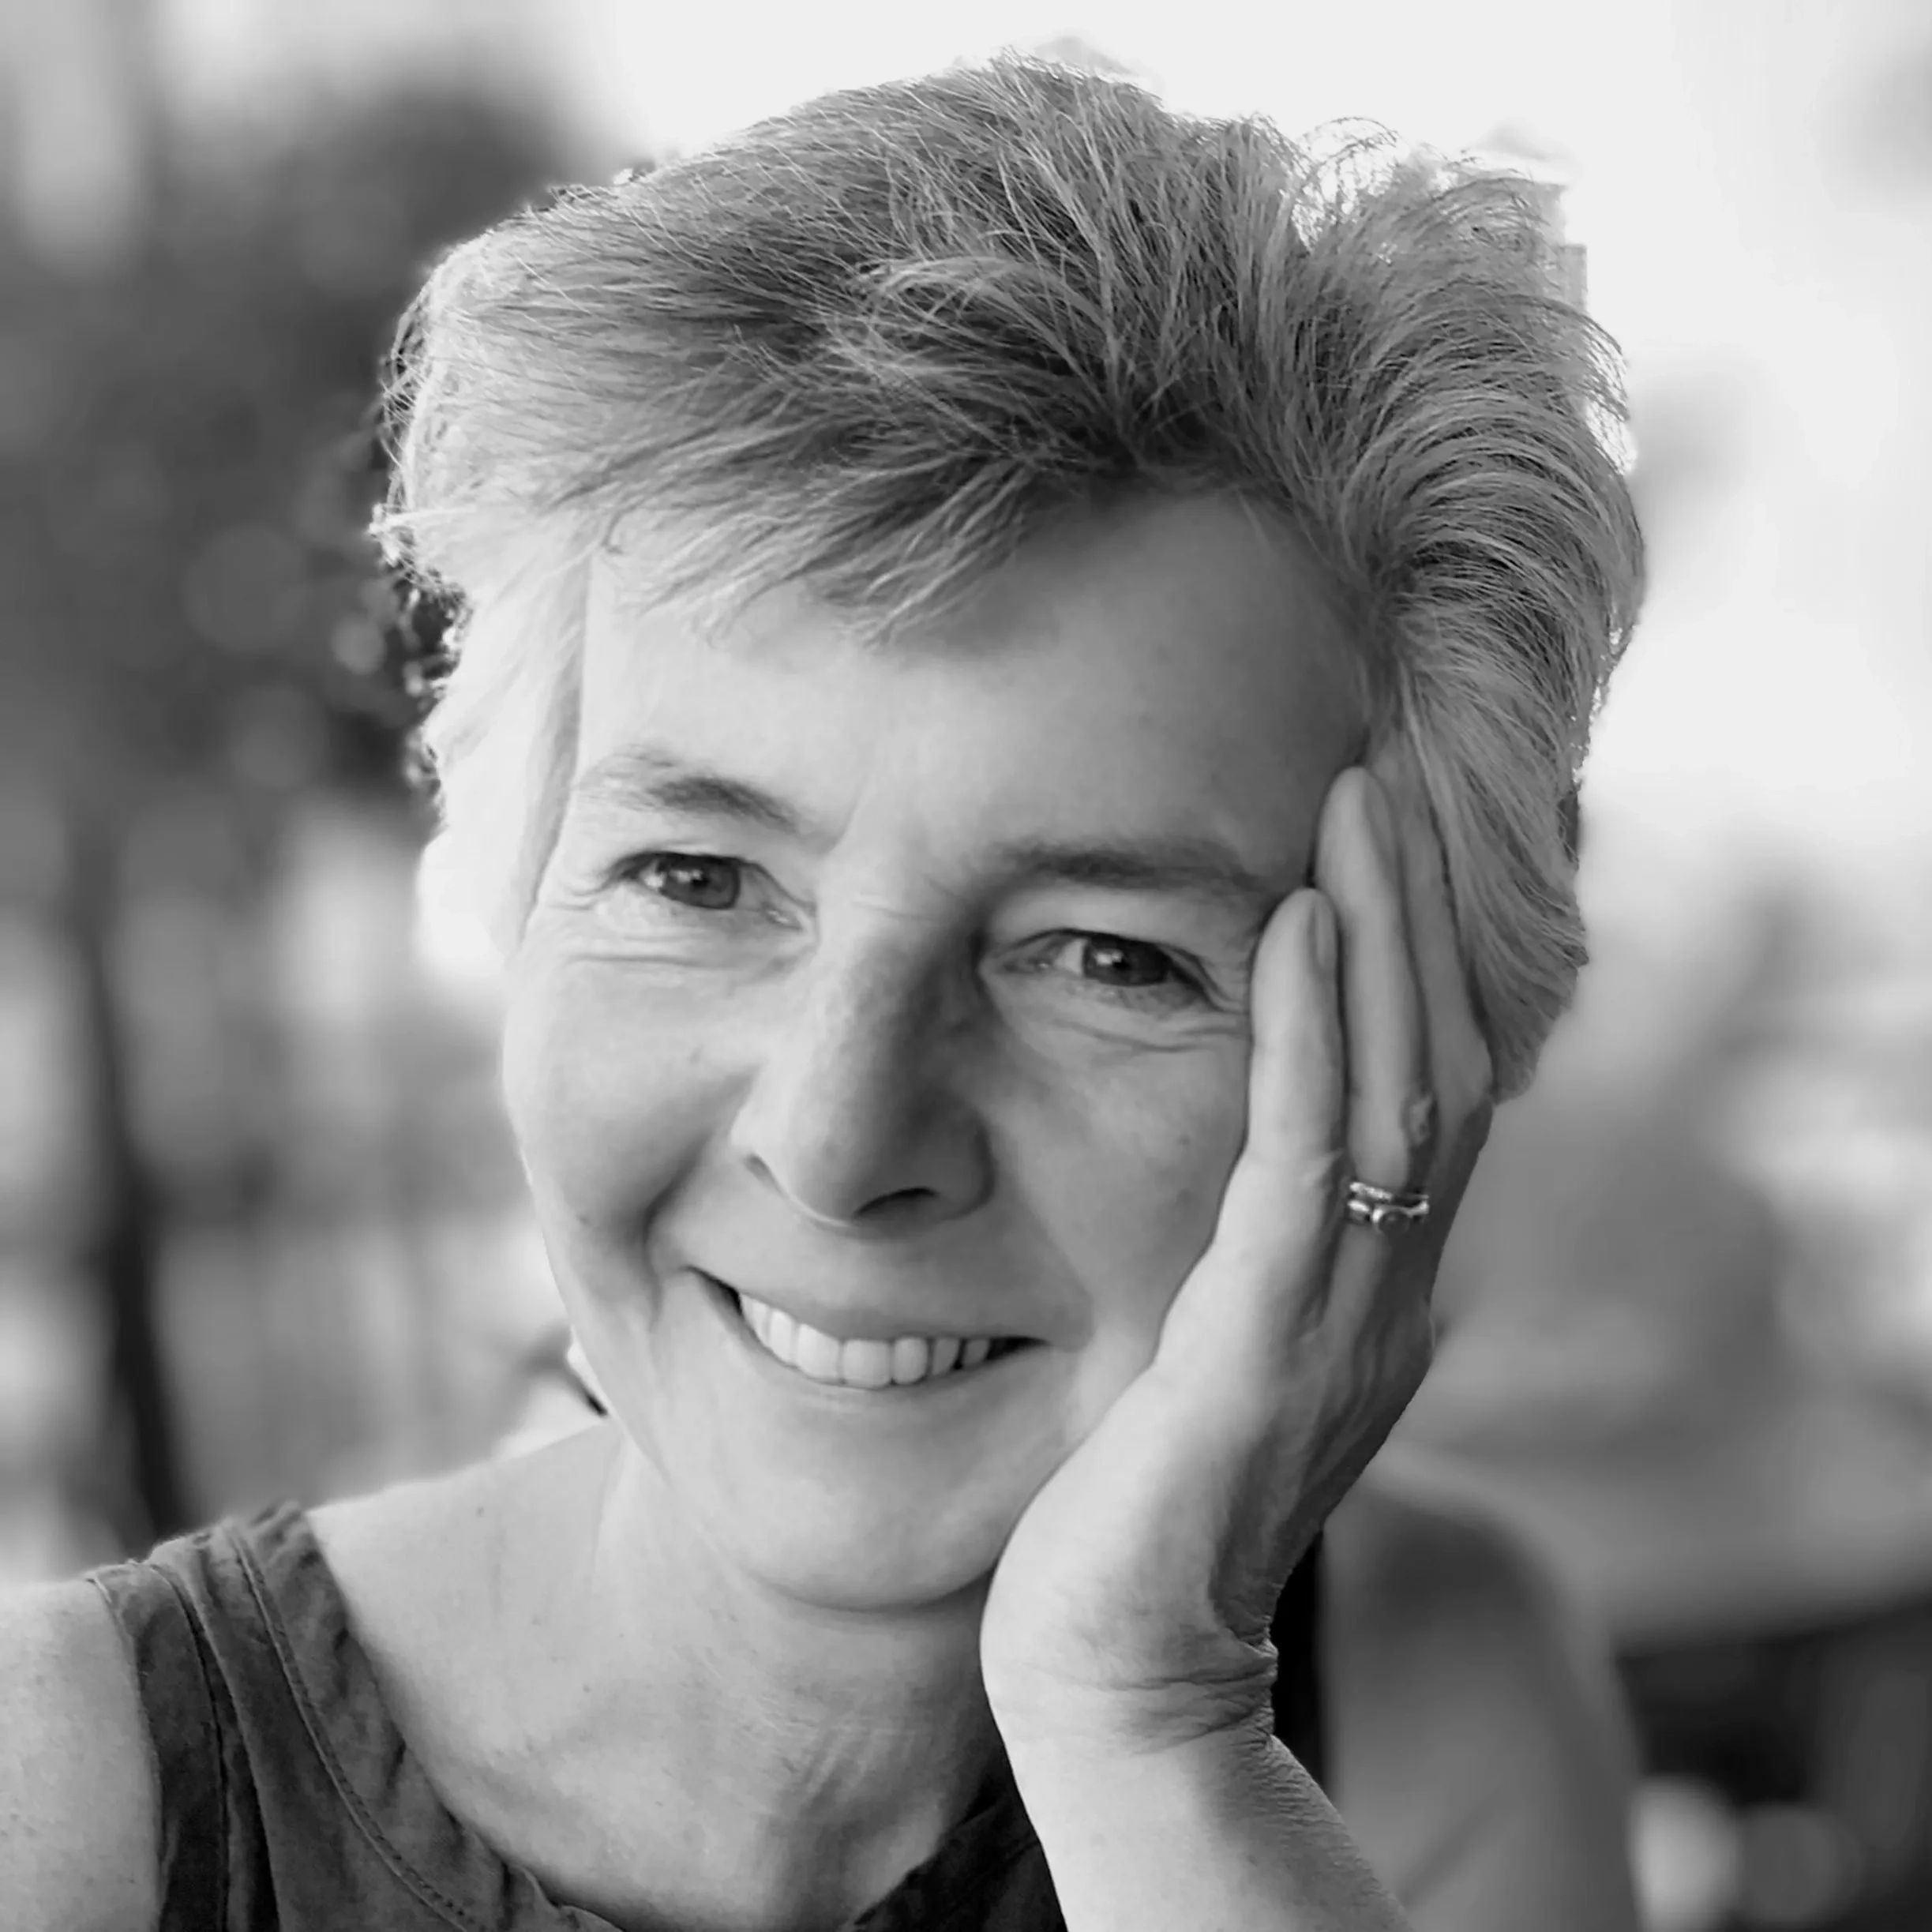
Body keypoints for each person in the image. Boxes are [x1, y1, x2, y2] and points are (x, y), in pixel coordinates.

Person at [1, 54, 1646, 1932]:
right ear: (520, 902)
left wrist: (1151, 1726)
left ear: (1413, 1074)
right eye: (695, 880)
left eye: (1109, 957)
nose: (837, 1137)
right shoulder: (62, 1798)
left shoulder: (1434, 1699)